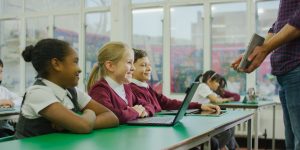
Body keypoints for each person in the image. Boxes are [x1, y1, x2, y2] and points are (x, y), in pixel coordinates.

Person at [15, 39, 119, 139]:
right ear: (56, 64)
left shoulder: (72, 91)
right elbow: (84, 126)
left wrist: (72, 125)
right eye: (75, 62)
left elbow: (112, 117)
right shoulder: (37, 93)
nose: (80, 69)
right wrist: (89, 113)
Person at [231, 1, 300, 149]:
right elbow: (279, 25)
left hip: (296, 68)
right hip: (286, 72)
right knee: (291, 139)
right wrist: (252, 54)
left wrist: (265, 49)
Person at [130, 48, 220, 113]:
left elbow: (168, 103)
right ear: (131, 68)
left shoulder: (147, 87)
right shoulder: (131, 89)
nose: (149, 68)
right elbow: (149, 108)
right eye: (143, 65)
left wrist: (200, 106)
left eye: (149, 65)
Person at [87, 42, 155, 124]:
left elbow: (149, 105)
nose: (133, 68)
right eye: (129, 62)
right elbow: (113, 116)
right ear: (110, 66)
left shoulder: (126, 88)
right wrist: (135, 112)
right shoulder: (99, 91)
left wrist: (145, 111)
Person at [0, 59, 22, 138]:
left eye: (0, 72)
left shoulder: (3, 90)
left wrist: (10, 103)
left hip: (4, 128)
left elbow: (20, 100)